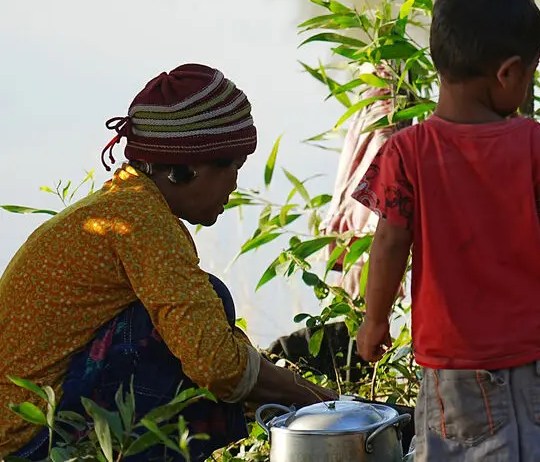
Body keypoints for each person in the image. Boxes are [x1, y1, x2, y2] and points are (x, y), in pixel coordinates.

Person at [0, 65, 338, 461]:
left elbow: (212, 344)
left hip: (21, 426)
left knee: (205, 306)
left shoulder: (126, 203)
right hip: (34, 437)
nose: (235, 184)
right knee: (198, 318)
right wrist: (327, 405)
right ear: (189, 167)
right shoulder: (142, 223)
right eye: (233, 167)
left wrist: (311, 397)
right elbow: (217, 366)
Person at [352, 0, 540, 461]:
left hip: (456, 364)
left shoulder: (405, 152)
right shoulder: (537, 143)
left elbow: (389, 242)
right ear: (507, 73)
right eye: (531, 73)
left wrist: (374, 322)